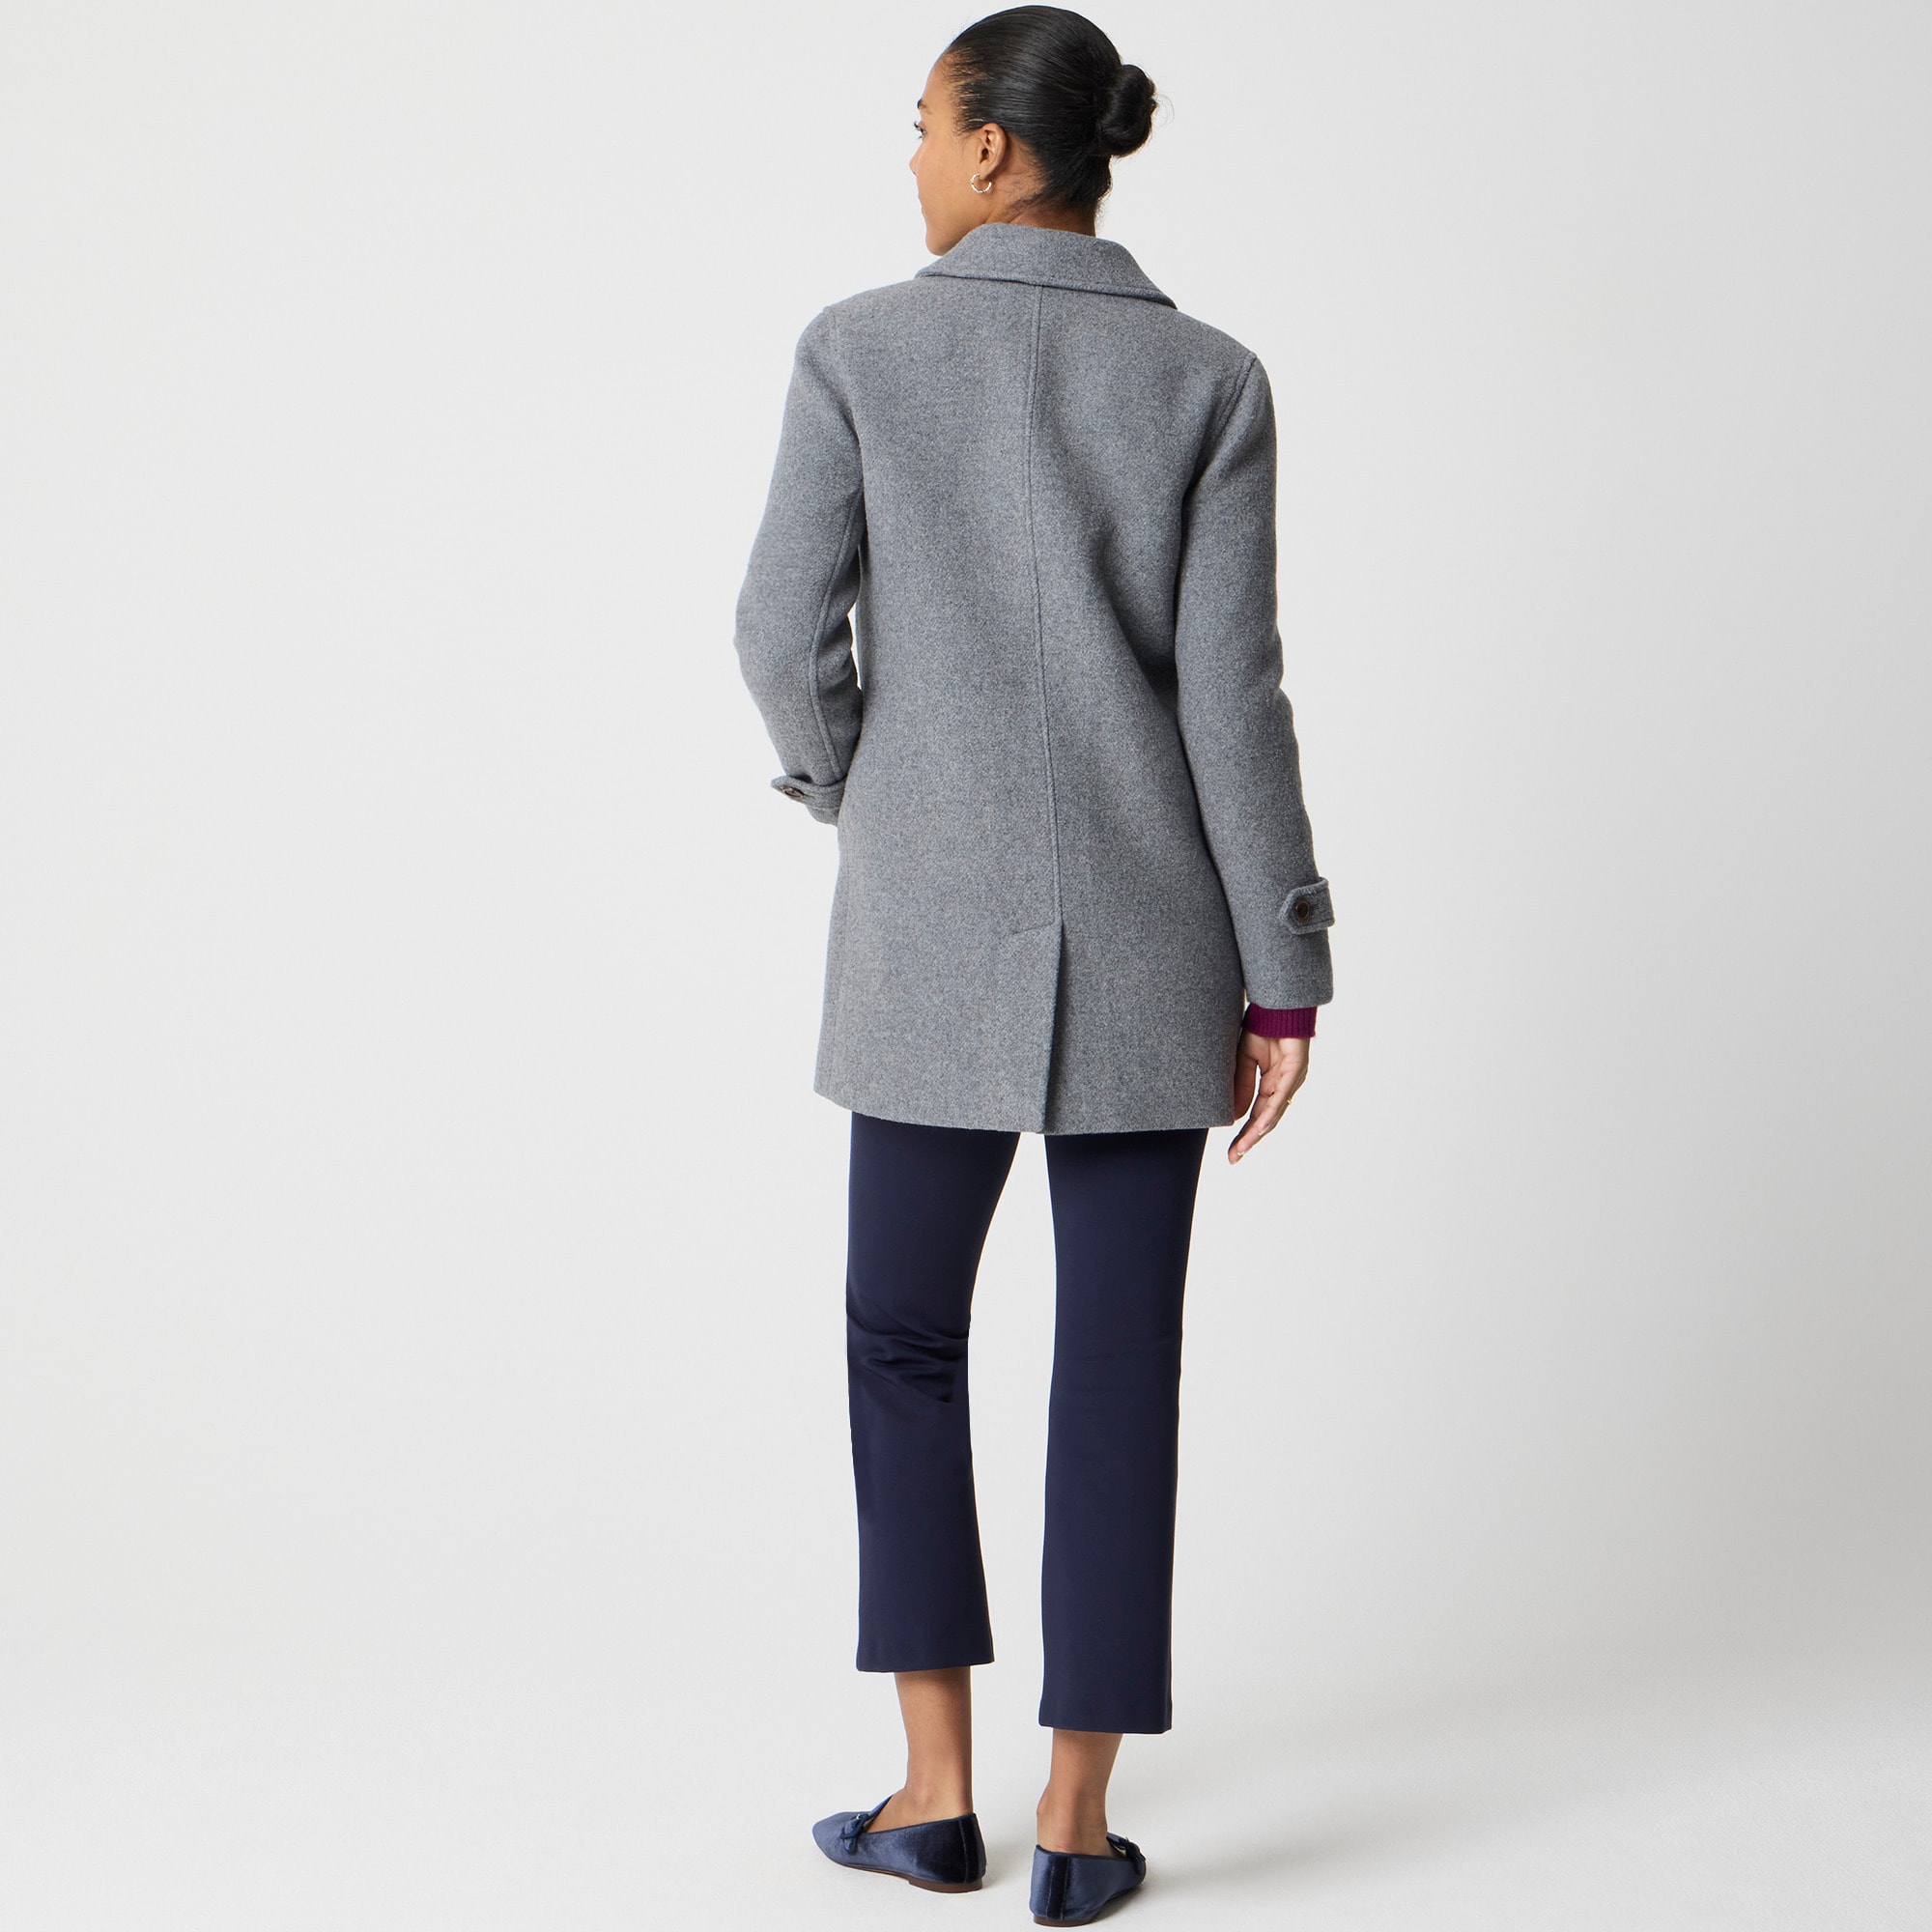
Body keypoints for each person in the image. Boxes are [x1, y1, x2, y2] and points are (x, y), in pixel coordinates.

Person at [733, 7, 1333, 1921]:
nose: (912, 158)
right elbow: (1233, 701)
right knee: (1119, 1364)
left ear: (996, 149)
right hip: (1162, 936)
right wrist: (1285, 970)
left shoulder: (859, 348)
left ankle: (932, 1797)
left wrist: (867, 796)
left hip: (922, 932)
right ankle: (1074, 1825)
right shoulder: (1209, 379)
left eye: (923, 125)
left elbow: (778, 630)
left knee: (902, 1343)